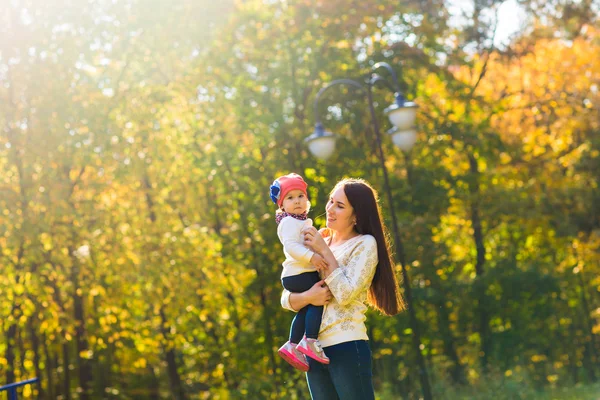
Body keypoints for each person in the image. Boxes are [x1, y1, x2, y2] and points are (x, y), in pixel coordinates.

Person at [280, 178, 406, 400]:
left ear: (356, 215)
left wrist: (323, 251)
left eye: (340, 206)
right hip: (312, 350)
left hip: (346, 345)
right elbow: (286, 297)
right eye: (331, 201)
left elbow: (345, 295)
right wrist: (309, 296)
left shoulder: (364, 244)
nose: (330, 209)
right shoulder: (319, 239)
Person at [270, 173, 331, 372]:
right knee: (317, 300)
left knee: (306, 308)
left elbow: (305, 241)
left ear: (307, 199)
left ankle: (292, 343)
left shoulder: (301, 221)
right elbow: (290, 247)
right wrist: (311, 257)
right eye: (290, 198)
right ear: (282, 206)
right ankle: (310, 340)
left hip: (298, 273)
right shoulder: (288, 222)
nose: (297, 201)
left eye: (300, 196)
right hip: (298, 273)